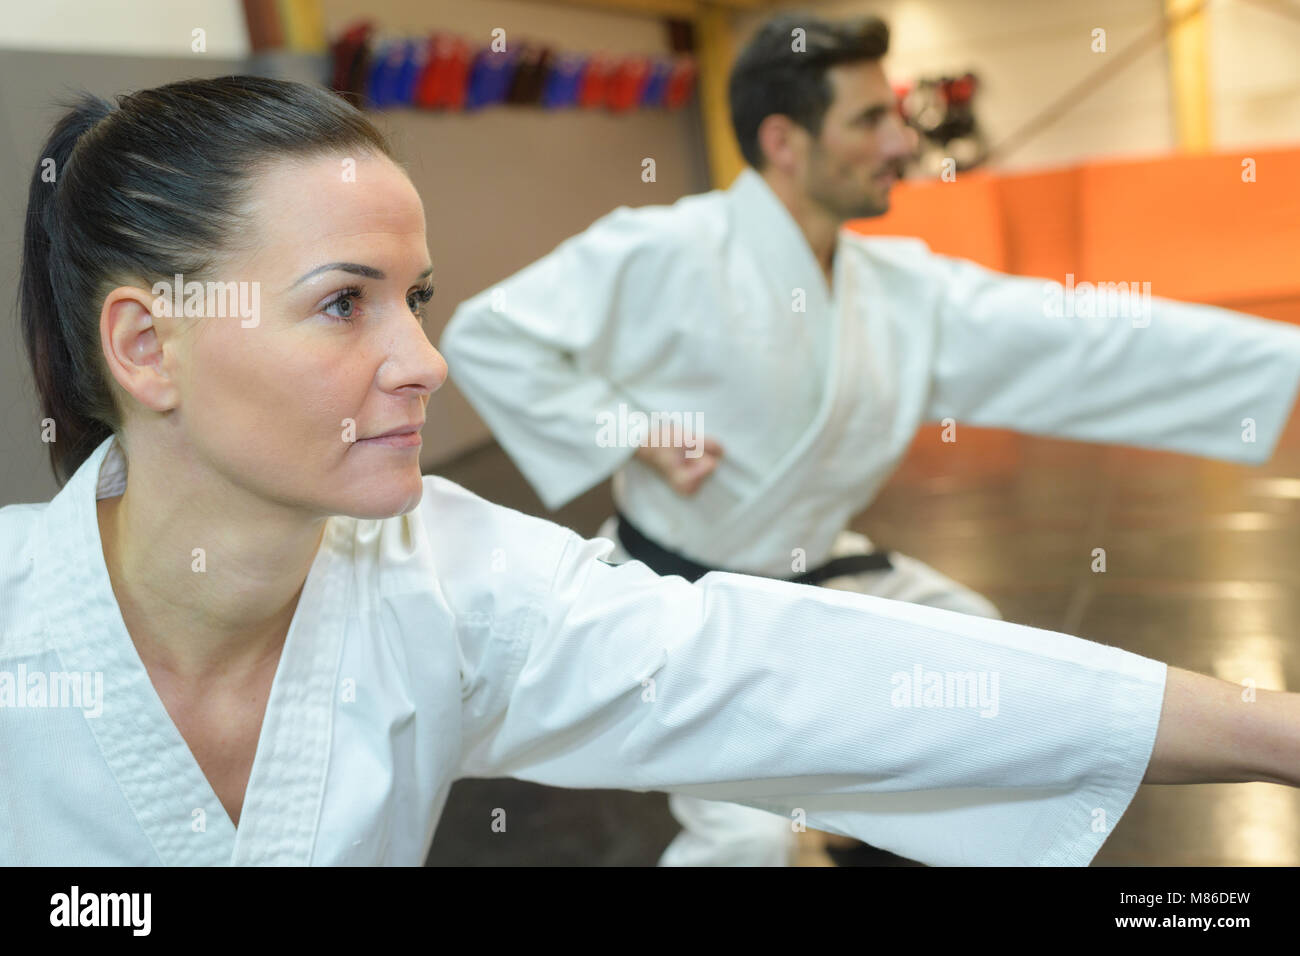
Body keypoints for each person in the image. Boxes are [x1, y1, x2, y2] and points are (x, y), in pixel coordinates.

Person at [4, 76, 1298, 869]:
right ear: (144, 344)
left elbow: (788, 669)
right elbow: (517, 347)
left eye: (418, 298)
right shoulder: (656, 249)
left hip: (776, 589)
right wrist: (637, 429)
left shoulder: (451, 587)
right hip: (682, 553)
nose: (425, 363)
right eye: (343, 305)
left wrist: (1261, 728)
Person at [437, 13, 1300, 866]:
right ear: (785, 141)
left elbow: (1075, 332)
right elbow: (487, 334)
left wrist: (1283, 364)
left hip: (813, 568)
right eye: (869, 119)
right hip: (683, 606)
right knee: (747, 837)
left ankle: (863, 819)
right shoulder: (663, 248)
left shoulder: (896, 288)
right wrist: (631, 428)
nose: (900, 141)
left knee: (985, 666)